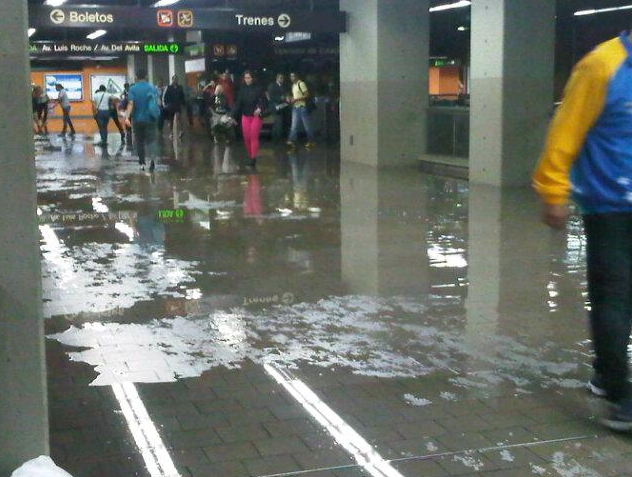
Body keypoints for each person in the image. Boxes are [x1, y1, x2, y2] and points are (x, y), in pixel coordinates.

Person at [533, 30, 632, 432]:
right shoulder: (601, 65)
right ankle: (620, 398)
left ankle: (604, 373)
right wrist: (553, 190)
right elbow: (565, 131)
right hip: (609, 206)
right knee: (613, 297)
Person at [231, 71, 268, 168]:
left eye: (249, 78)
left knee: (253, 136)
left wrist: (260, 108)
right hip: (245, 116)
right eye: (246, 78)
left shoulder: (258, 88)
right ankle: (250, 155)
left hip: (256, 116)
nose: (247, 80)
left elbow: (265, 101)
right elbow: (238, 103)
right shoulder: (242, 90)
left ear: (252, 78)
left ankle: (253, 158)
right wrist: (231, 115)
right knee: (246, 138)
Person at [125, 70, 158, 172]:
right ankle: (152, 160)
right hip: (150, 118)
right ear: (146, 76)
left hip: (137, 120)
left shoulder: (132, 89)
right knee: (151, 140)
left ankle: (142, 163)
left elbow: (130, 103)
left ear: (136, 77)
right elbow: (156, 102)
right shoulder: (152, 88)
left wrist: (127, 117)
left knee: (139, 141)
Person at [287, 72, 315, 150]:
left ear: (297, 76)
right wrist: (292, 98)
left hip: (302, 106)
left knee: (307, 125)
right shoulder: (293, 85)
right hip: (295, 107)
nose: (291, 78)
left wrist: (296, 99)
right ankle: (291, 140)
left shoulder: (301, 84)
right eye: (290, 76)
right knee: (294, 125)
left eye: (293, 76)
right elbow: (296, 95)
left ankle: (311, 140)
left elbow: (307, 95)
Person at [267, 73, 290, 142]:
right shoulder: (272, 85)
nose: (282, 80)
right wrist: (280, 98)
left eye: (283, 78)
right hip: (275, 107)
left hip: (282, 107)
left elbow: (285, 94)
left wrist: (286, 98)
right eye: (281, 78)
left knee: (278, 123)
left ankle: (276, 139)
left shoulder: (283, 86)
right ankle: (276, 139)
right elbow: (271, 96)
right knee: (278, 123)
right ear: (277, 78)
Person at [163, 75, 186, 139]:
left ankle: (181, 131)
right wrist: (166, 104)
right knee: (171, 120)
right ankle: (171, 133)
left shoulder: (180, 87)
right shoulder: (169, 87)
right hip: (171, 106)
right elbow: (165, 96)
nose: (175, 80)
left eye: (176, 79)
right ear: (172, 80)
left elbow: (182, 96)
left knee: (179, 118)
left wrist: (183, 103)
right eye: (174, 79)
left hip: (178, 105)